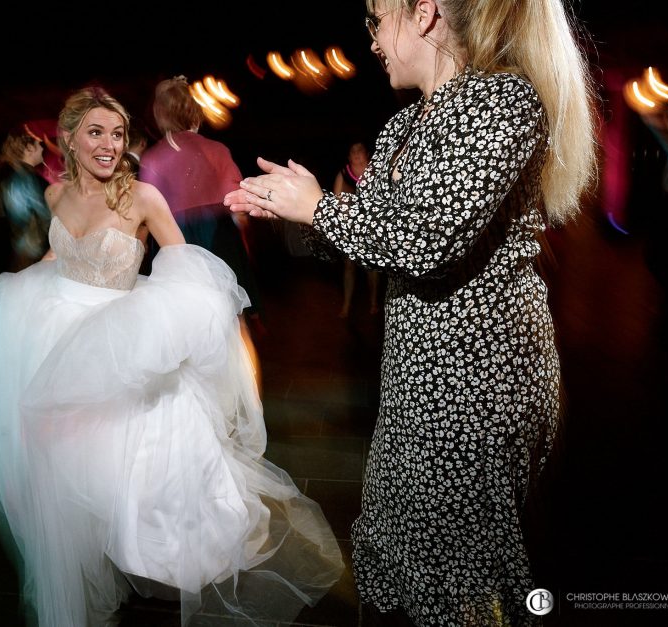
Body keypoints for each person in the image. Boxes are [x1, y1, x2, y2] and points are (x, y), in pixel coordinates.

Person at [224, 0, 597, 624]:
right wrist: (286, 216)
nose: (370, 40)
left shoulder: (503, 103)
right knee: (399, 539)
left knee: (460, 573)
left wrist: (319, 208)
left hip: (480, 384)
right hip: (414, 377)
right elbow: (369, 232)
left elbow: (424, 238)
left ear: (423, 13)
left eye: (376, 19)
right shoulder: (404, 128)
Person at [0, 86, 343, 627]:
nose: (109, 144)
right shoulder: (54, 196)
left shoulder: (142, 197)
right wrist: (19, 285)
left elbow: (182, 260)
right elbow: (57, 253)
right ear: (68, 139)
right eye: (95, 132)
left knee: (141, 470)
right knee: (69, 468)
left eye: (117, 134)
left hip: (118, 344)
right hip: (57, 340)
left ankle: (153, 550)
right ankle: (91, 553)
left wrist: (175, 321)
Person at [139, 76, 265, 320]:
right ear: (194, 112)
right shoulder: (217, 150)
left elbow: (146, 211)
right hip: (218, 238)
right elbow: (237, 201)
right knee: (229, 313)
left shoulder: (153, 159)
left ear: (160, 114)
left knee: (181, 318)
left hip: (172, 243)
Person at [333, 140, 382, 318]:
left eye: (360, 150)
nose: (356, 154)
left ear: (367, 154)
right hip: (351, 229)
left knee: (372, 267)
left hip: (372, 226)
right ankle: (346, 305)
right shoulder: (343, 174)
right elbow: (336, 204)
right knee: (349, 267)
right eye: (352, 151)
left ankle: (374, 302)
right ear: (348, 157)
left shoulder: (376, 172)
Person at [0, 124, 52, 271]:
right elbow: (45, 215)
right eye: (38, 144)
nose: (42, 148)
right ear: (28, 148)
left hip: (25, 248)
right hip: (32, 250)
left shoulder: (19, 175)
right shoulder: (25, 178)